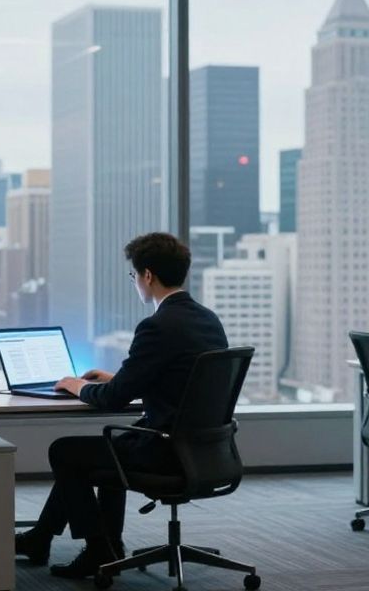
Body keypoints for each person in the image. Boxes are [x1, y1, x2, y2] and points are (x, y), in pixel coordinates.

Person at [13, 231, 229, 579]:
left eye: (134, 276)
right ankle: (48, 539)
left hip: (166, 451)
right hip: (204, 447)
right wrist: (117, 378)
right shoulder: (207, 319)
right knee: (100, 451)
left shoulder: (157, 326)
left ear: (147, 276)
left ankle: (99, 550)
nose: (136, 282)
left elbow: (112, 400)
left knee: (66, 452)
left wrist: (75, 385)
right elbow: (182, 381)